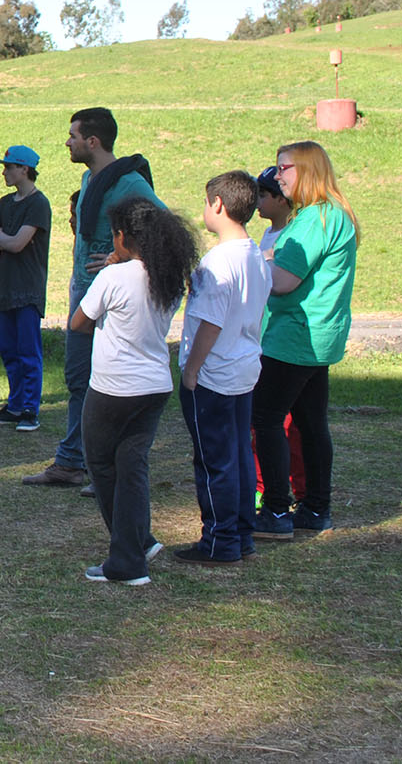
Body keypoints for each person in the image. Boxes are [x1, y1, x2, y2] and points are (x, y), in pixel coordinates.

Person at [26, 107, 164, 489]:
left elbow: (162, 225)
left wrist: (123, 256)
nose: (67, 142)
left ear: (93, 141)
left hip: (112, 304)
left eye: (72, 135)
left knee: (102, 384)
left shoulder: (129, 183)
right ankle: (74, 461)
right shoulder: (91, 179)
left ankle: (102, 467)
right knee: (78, 379)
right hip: (84, 295)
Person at [69, 198, 197, 585]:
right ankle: (140, 540)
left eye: (115, 235)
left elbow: (79, 323)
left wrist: (108, 274)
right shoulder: (167, 276)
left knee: (104, 468)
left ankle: (127, 560)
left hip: (112, 387)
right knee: (133, 467)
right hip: (154, 385)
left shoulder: (113, 278)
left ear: (123, 236)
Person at [252, 141, 360, 539]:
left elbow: (283, 282)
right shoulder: (331, 215)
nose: (278, 177)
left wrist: (251, 266)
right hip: (317, 335)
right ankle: (315, 507)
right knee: (312, 423)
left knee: (264, 419)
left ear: (308, 170)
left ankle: (277, 512)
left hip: (295, 335)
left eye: (285, 168)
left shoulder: (315, 219)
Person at [175, 171, 272, 565]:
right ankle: (242, 533)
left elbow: (211, 322)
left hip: (214, 374)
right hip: (244, 367)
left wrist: (191, 369)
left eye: (205, 202)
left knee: (214, 459)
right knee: (238, 454)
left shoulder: (216, 263)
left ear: (218, 205)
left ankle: (219, 540)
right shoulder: (256, 255)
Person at [0, 146, 53, 432]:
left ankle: (29, 409)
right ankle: (14, 404)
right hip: (6, 288)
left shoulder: (38, 204)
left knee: (28, 351)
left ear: (24, 169)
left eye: (9, 166)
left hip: (28, 289)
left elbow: (17, 244)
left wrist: (2, 237)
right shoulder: (5, 202)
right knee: (9, 350)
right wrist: (3, 238)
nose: (4, 171)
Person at [252, 165, 306, 508]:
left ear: (280, 199)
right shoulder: (267, 236)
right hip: (261, 338)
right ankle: (263, 485)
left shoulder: (293, 236)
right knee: (264, 423)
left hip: (284, 342)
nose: (256, 202)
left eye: (262, 195)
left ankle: (293, 489)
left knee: (289, 424)